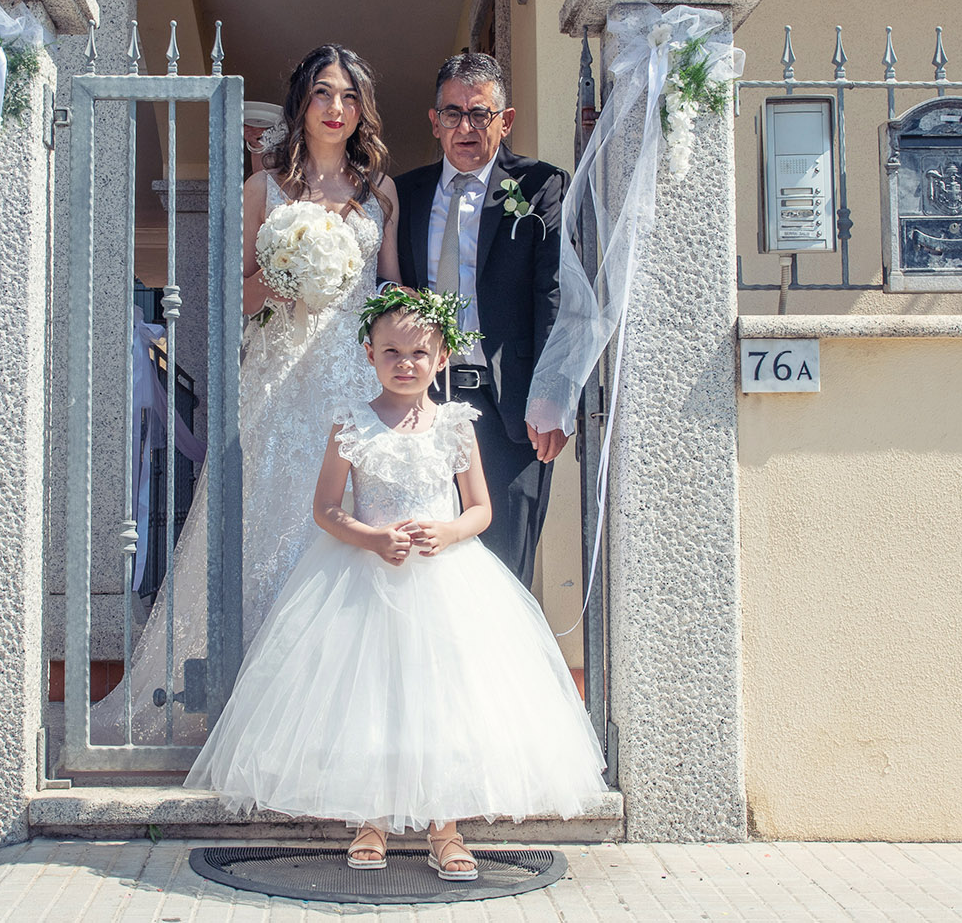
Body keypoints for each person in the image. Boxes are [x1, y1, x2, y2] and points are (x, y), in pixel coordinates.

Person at [186, 290, 606, 879]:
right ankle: (371, 817)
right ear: (368, 353)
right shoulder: (350, 424)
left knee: (447, 698)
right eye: (391, 351)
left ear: (441, 358)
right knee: (371, 697)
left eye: (418, 352)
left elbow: (480, 508)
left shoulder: (457, 426)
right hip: (364, 578)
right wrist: (374, 539)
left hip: (447, 582)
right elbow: (327, 509)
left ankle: (447, 827)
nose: (405, 362)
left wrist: (450, 531)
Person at [88, 45, 400, 746]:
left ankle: (344, 710)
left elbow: (388, 294)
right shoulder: (264, 189)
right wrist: (284, 278)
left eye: (349, 97)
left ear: (361, 110)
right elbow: (233, 294)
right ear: (302, 103)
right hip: (281, 377)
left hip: (351, 379)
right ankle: (253, 709)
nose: (335, 108)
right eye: (323, 93)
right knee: (268, 525)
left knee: (353, 525)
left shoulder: (380, 192)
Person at [394, 53, 569, 587]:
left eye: (479, 113)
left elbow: (556, 295)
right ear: (434, 121)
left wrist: (551, 397)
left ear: (505, 120)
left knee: (500, 574)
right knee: (421, 569)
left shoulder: (541, 187)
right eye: (452, 113)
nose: (464, 127)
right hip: (417, 404)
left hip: (508, 409)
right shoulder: (404, 193)